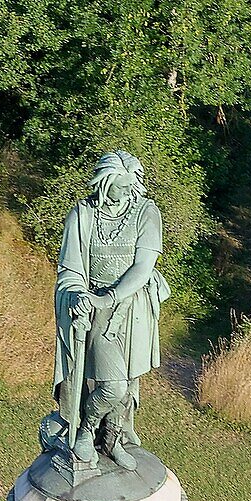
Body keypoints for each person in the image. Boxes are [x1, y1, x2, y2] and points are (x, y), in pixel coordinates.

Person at [49, 150, 170, 471]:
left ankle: (112, 440)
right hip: (99, 311)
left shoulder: (146, 212)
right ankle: (87, 431)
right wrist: (78, 296)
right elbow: (70, 269)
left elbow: (144, 267)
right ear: (104, 183)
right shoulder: (83, 214)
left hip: (134, 309)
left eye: (132, 185)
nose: (128, 191)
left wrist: (111, 296)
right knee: (112, 384)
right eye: (121, 186)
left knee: (128, 385)